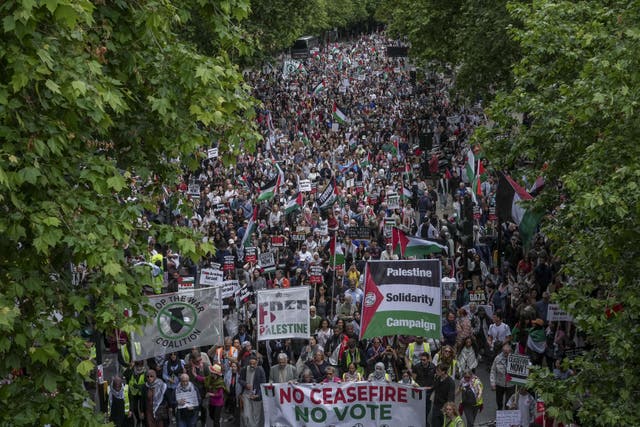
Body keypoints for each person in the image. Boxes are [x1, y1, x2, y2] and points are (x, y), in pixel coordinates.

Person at [239, 355, 266, 427]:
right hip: (246, 395)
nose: (252, 365)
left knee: (256, 417)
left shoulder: (260, 370)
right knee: (246, 415)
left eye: (254, 364)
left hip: (256, 396)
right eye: (250, 363)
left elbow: (263, 384)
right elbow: (240, 379)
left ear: (257, 363)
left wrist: (258, 395)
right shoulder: (244, 369)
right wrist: (245, 384)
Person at [490, 343, 516, 410]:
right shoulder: (498, 358)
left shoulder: (515, 359)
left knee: (508, 402)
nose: (507, 354)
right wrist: (492, 383)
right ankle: (499, 410)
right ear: (502, 351)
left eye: (508, 352)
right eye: (505, 353)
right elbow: (493, 371)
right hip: (500, 383)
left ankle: (505, 416)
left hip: (511, 384)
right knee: (499, 401)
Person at [413, 352, 436, 427]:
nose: (422, 361)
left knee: (427, 408)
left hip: (429, 390)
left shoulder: (433, 367)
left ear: (428, 359)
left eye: (424, 360)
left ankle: (425, 422)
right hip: (419, 391)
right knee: (418, 408)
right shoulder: (417, 366)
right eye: (421, 360)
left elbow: (435, 379)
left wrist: (432, 387)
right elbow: (413, 379)